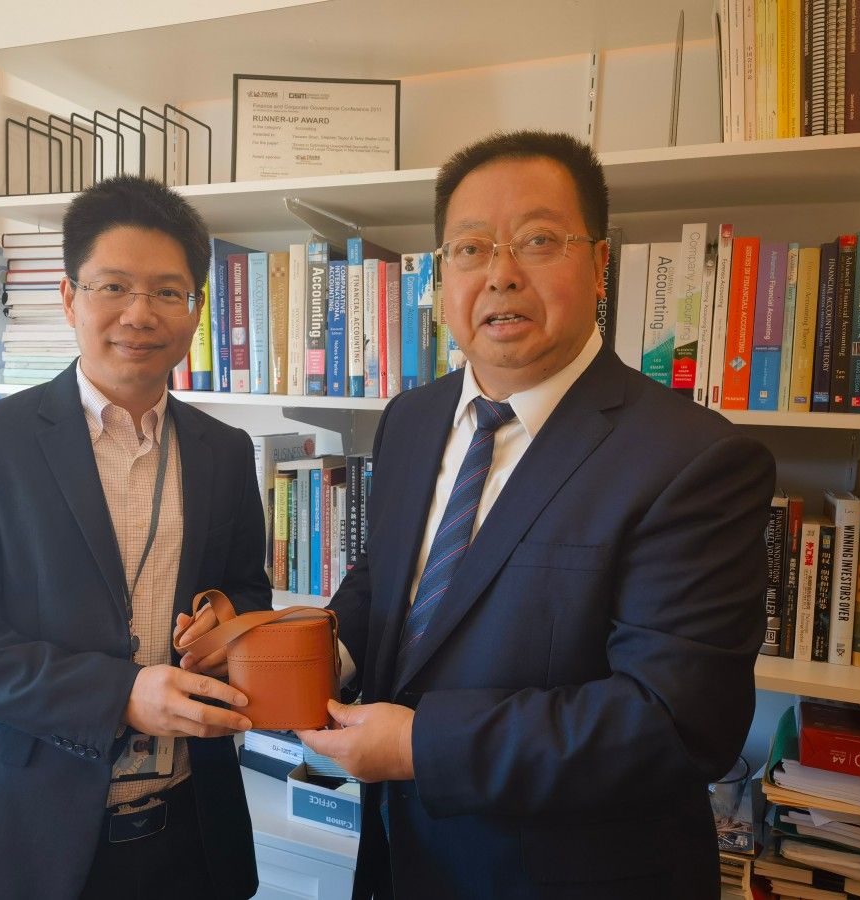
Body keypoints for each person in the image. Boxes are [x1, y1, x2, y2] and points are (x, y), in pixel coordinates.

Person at [297, 131, 775, 899]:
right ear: (441, 274)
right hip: (401, 860)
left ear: (600, 264)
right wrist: (317, 654)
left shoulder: (694, 458)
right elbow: (385, 580)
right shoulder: (410, 419)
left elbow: (678, 721)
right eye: (470, 249)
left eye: (539, 241)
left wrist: (421, 745)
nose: (501, 274)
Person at [0, 175, 271, 900]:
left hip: (191, 830)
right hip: (28, 836)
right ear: (70, 298)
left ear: (196, 311)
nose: (140, 313)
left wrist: (228, 617)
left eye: (168, 292)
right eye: (113, 287)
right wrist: (119, 694)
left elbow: (246, 592)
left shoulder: (224, 451)